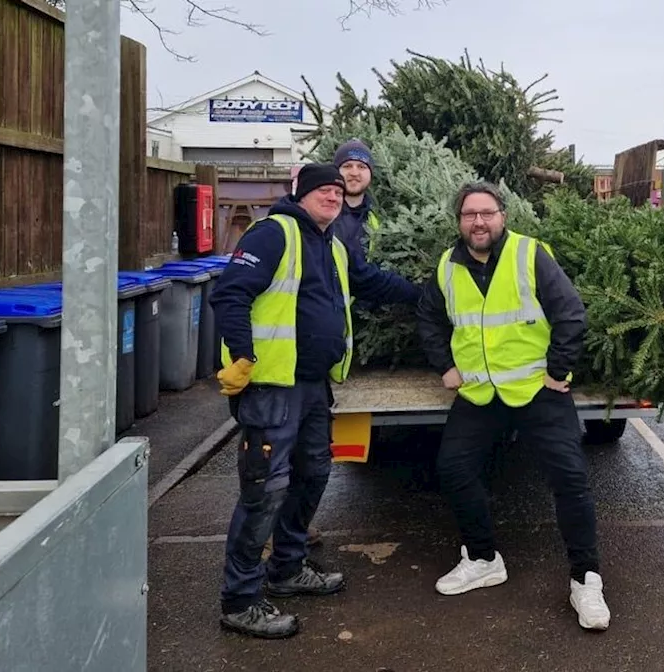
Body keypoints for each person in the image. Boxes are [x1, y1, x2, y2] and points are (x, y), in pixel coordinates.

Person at [210, 163, 422, 639]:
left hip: (311, 386)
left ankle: (287, 570)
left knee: (313, 475)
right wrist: (242, 355)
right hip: (271, 388)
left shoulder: (333, 246)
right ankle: (240, 599)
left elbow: (372, 283)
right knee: (265, 491)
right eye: (321, 189)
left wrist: (426, 293)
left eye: (335, 190)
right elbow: (230, 294)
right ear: (300, 194)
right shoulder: (273, 235)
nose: (331, 195)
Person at [416, 181, 611, 631]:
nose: (478, 222)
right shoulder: (448, 265)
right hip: (480, 394)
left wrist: (558, 372)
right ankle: (483, 559)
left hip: (536, 392)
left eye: (487, 213)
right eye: (469, 214)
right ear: (460, 221)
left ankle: (586, 580)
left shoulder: (529, 255)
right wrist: (445, 365)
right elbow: (428, 315)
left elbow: (570, 313)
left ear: (503, 216)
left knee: (570, 478)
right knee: (453, 469)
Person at [330, 138, 381, 260]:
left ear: (370, 173)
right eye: (347, 166)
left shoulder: (378, 218)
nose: (354, 172)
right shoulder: (323, 213)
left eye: (361, 166)